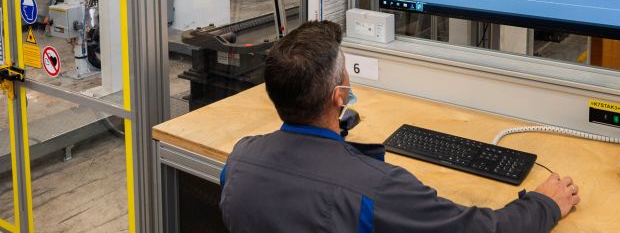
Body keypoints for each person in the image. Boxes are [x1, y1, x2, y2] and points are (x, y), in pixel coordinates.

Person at [220, 20, 580, 232]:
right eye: (346, 70)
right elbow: (482, 230)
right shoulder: (381, 189)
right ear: (339, 97)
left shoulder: (239, 159)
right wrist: (545, 204)